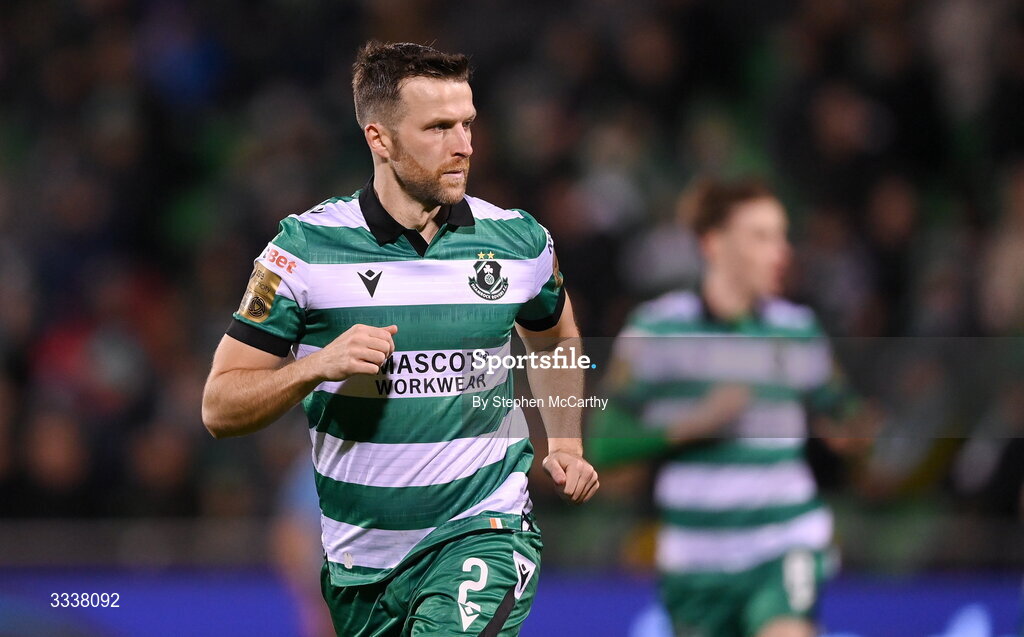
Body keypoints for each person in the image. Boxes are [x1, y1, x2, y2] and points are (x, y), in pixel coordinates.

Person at [201, 41, 599, 636]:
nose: (463, 145)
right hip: (360, 568)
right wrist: (317, 366)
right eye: (438, 127)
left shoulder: (517, 242)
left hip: (484, 529)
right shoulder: (302, 254)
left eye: (467, 124)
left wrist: (564, 440)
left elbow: (556, 336)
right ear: (378, 139)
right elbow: (219, 407)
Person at [590, 178, 869, 637]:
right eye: (761, 237)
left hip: (784, 543)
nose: (781, 251)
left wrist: (855, 433)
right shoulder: (657, 330)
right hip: (695, 560)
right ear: (714, 244)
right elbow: (603, 444)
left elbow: (843, 411)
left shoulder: (798, 329)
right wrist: (692, 425)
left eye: (781, 236)